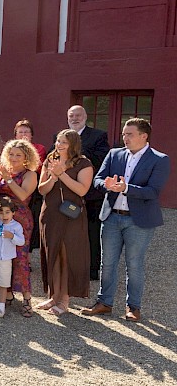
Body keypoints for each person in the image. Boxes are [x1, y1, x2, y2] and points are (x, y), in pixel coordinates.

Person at [83, 118, 170, 321]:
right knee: (108, 263)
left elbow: (153, 191)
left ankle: (133, 307)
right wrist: (106, 185)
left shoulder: (159, 159)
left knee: (134, 264)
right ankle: (104, 302)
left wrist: (126, 189)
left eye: (129, 134)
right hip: (112, 216)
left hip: (138, 221)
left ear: (143, 136)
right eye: (123, 134)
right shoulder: (115, 154)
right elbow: (97, 179)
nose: (124, 137)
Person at [37, 129, 93, 317]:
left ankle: (65, 300)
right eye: (58, 140)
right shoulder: (50, 160)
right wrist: (53, 176)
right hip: (50, 213)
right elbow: (41, 189)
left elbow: (82, 190)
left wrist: (62, 174)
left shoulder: (83, 163)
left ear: (73, 145)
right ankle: (53, 296)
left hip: (71, 215)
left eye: (64, 142)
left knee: (66, 255)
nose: (59, 145)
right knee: (51, 252)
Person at [0, 139, 40, 316]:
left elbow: (23, 195)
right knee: (1, 255)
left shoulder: (29, 174)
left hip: (20, 219)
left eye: (18, 154)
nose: (14, 157)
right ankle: (7, 294)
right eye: (11, 154)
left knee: (20, 258)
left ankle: (26, 298)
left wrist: (8, 179)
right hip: (0, 217)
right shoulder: (3, 171)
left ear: (26, 157)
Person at [66, 104, 110, 280]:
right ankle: (70, 266)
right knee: (69, 231)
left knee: (92, 232)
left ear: (85, 117)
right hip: (68, 193)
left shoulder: (98, 136)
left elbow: (101, 159)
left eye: (78, 115)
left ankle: (92, 270)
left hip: (91, 195)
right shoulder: (60, 136)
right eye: (71, 116)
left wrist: (75, 150)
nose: (74, 119)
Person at [15, 119, 46, 251]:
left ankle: (27, 254)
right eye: (20, 132)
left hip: (32, 189)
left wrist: (27, 149)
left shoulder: (39, 148)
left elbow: (37, 166)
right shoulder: (10, 148)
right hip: (14, 185)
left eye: (26, 132)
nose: (23, 134)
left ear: (31, 134)